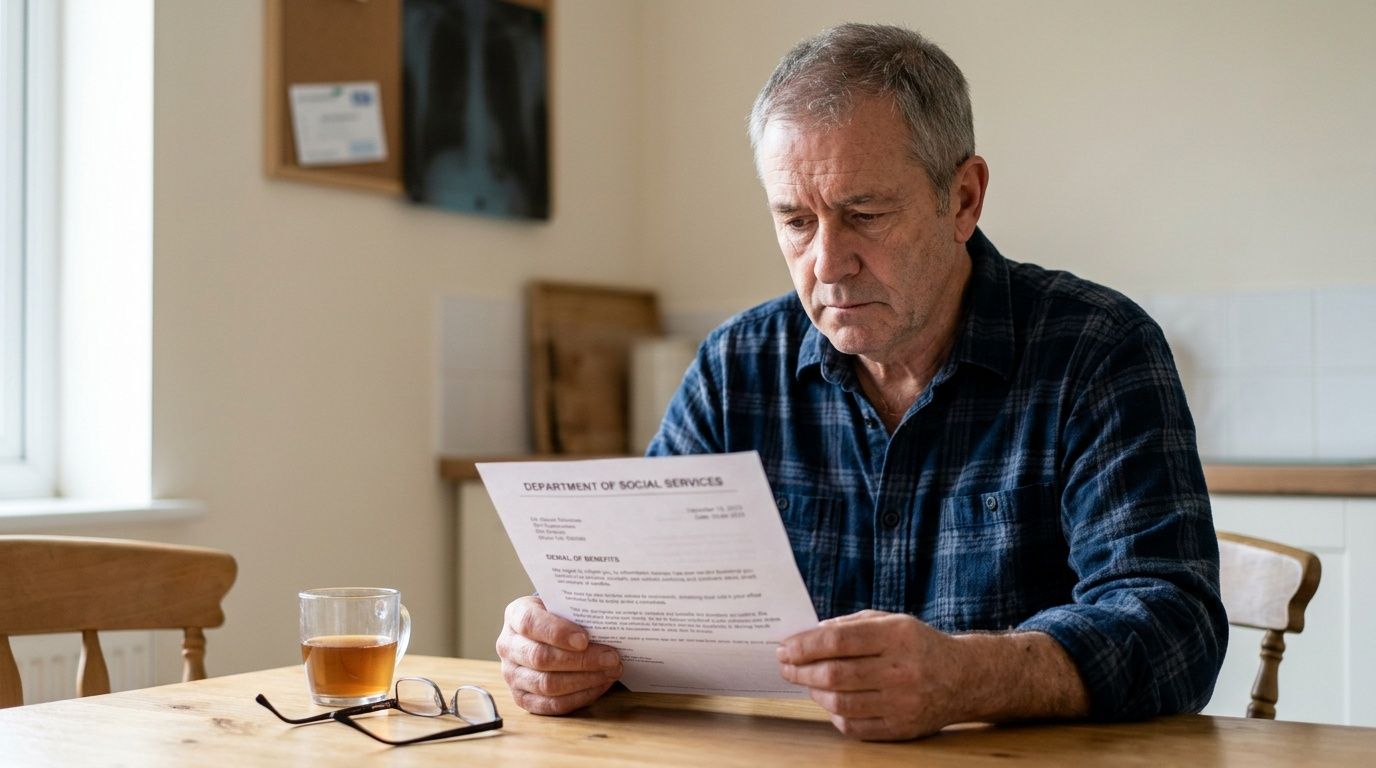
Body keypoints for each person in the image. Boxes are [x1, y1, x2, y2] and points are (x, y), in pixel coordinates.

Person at [495, 22, 1227, 741]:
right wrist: (564, 652)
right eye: (795, 221)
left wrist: (967, 676)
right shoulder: (734, 370)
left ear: (964, 199)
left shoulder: (1096, 351)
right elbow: (642, 610)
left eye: (865, 215)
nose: (826, 262)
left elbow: (1174, 627)